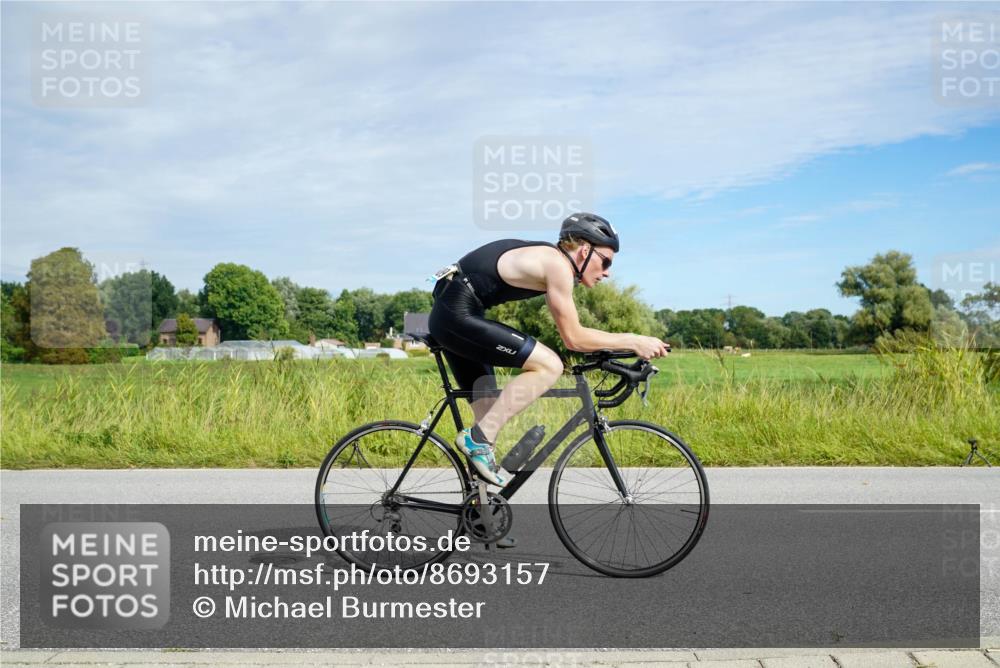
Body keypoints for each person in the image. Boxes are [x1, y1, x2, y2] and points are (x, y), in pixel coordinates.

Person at [428, 213, 670, 486]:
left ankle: (479, 515)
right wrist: (634, 340)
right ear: (584, 251)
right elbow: (574, 339)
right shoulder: (556, 265)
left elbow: (576, 336)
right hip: (456, 314)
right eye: (605, 262)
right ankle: (477, 442)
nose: (607, 272)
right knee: (549, 365)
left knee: (488, 417)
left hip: (455, 311)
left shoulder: (550, 259)